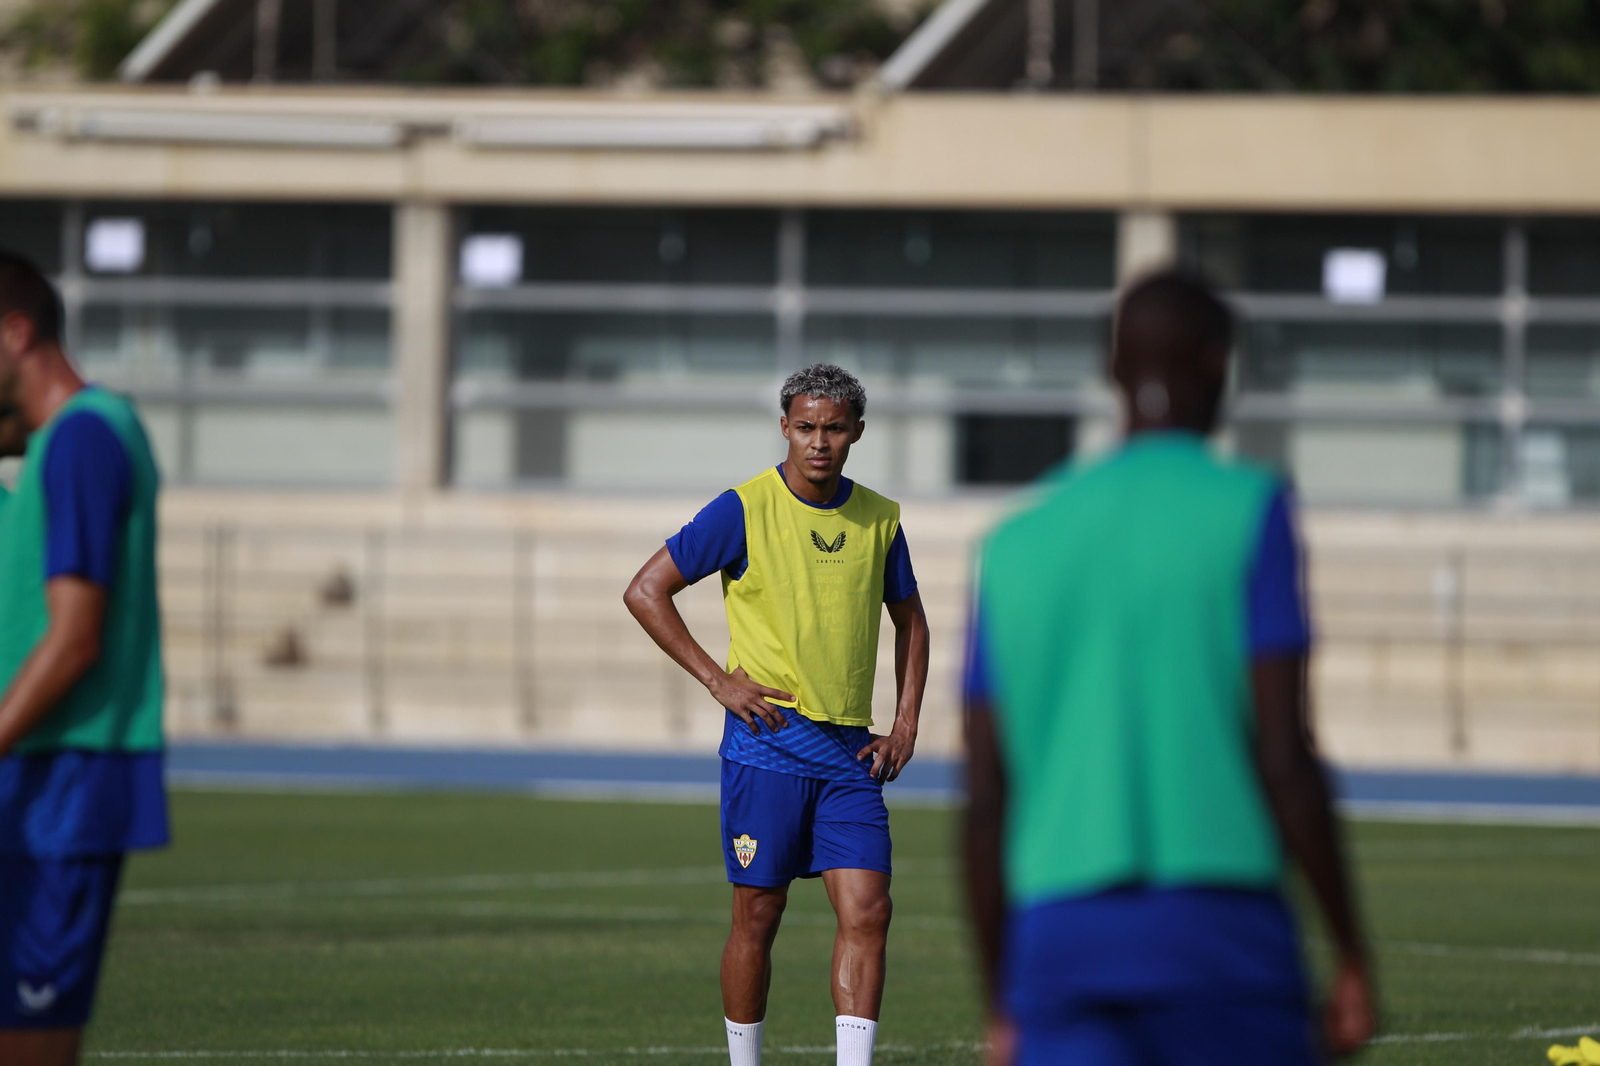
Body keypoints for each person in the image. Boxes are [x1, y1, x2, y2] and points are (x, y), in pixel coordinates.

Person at [962, 270, 1377, 1066]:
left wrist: (1001, 999)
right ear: (1219, 364)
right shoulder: (1251, 510)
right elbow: (1284, 754)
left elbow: (986, 799)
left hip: (1062, 940)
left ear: (1112, 371)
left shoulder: (1012, 545)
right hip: (1221, 933)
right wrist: (1351, 950)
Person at [625, 364, 930, 1066]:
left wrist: (907, 724)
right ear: (785, 428)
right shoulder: (743, 507)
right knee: (757, 919)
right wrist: (716, 680)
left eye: (833, 429)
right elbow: (646, 590)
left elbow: (910, 621)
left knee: (869, 913)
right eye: (805, 428)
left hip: (852, 757)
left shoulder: (881, 519)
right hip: (768, 748)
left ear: (856, 432)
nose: (818, 442)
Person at [0, 252, 168, 1066]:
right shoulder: (58, 447)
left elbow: (73, 638)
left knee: (31, 1044)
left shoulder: (82, 439)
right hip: (41, 774)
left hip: (61, 783)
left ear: (16, 332)